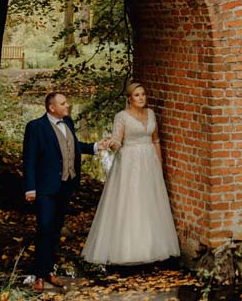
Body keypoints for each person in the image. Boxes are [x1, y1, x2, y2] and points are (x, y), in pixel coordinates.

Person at [81, 82, 181, 265]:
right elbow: (118, 142)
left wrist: (159, 164)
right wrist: (111, 144)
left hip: (149, 162)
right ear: (129, 99)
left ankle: (152, 247)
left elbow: (156, 140)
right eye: (137, 95)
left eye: (143, 94)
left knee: (150, 202)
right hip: (129, 163)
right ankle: (129, 251)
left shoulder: (151, 114)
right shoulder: (122, 116)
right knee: (131, 201)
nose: (141, 98)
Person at [22, 90, 107, 292]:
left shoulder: (68, 122)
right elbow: (29, 159)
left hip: (65, 186)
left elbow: (73, 146)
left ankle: (49, 271)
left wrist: (95, 147)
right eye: (63, 103)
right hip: (45, 188)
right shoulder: (36, 127)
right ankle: (39, 275)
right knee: (44, 229)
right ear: (52, 108)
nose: (67, 105)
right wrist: (30, 188)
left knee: (55, 230)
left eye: (66, 102)